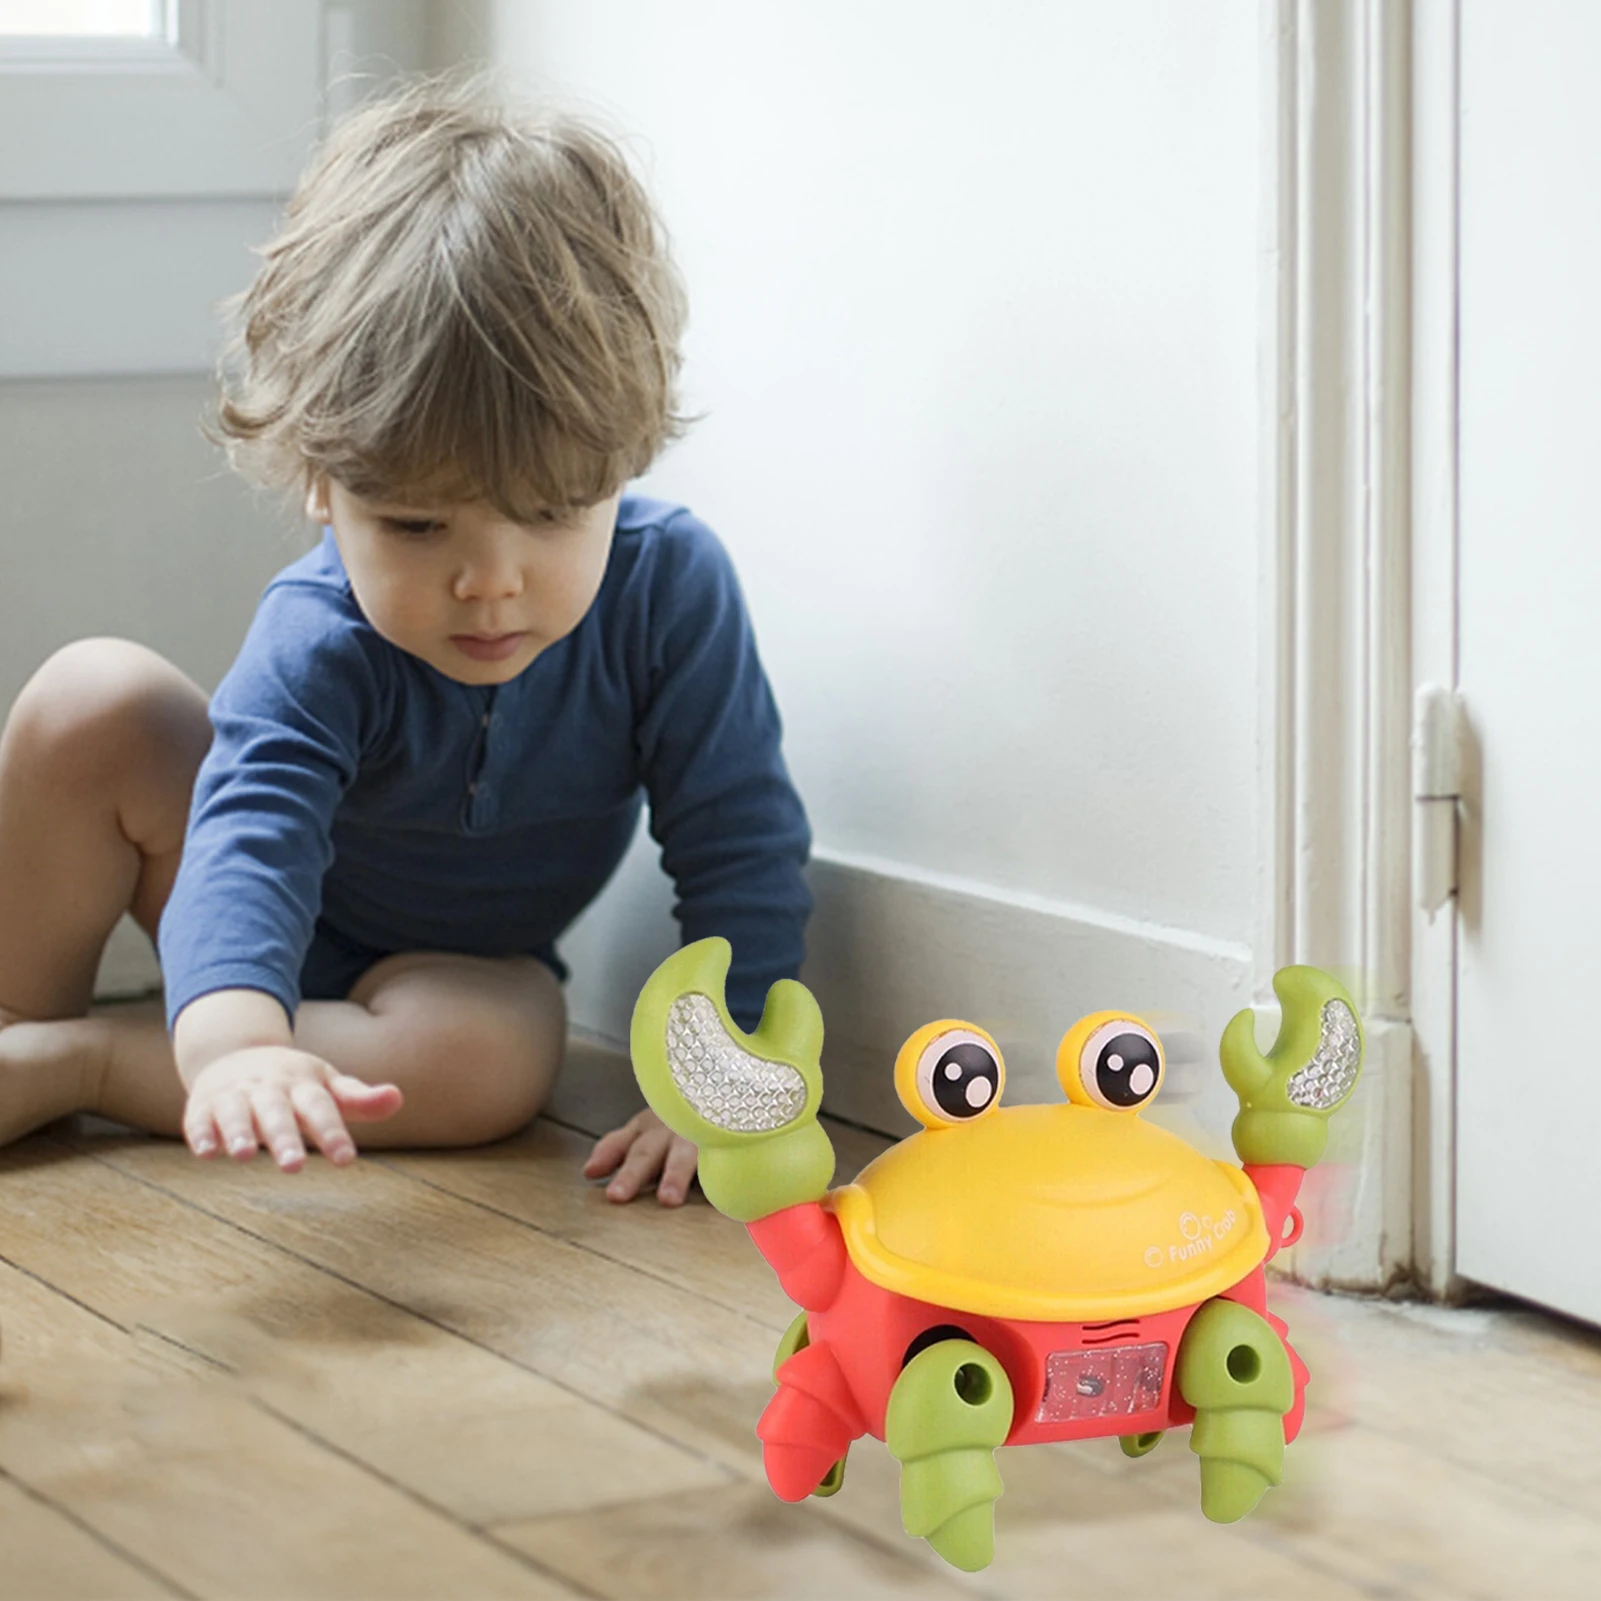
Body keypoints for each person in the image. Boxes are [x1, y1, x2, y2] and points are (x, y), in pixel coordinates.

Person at [0, 77, 811, 1206]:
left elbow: (739, 845)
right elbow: (250, 836)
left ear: (622, 465)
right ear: (324, 486)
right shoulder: (319, 634)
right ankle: (23, 1028)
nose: (488, 581)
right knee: (91, 698)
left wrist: (719, 1082)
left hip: (446, 975)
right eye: (419, 525)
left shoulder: (670, 590)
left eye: (547, 511)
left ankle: (82, 1058)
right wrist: (236, 1036)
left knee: (493, 1061)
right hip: (233, 907)